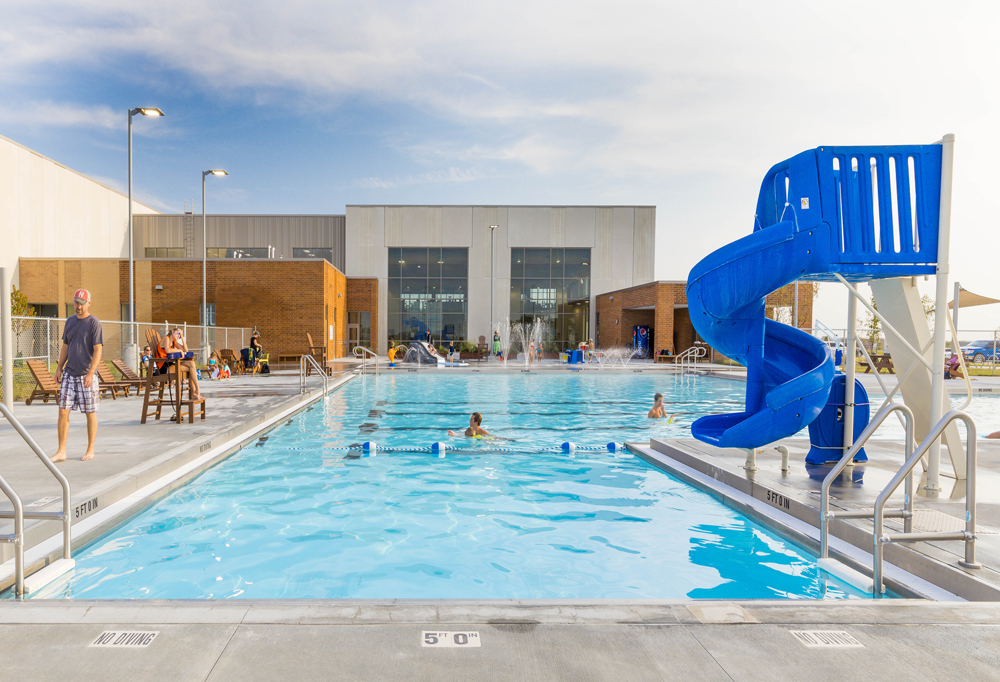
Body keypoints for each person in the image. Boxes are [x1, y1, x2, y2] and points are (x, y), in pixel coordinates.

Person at [51, 289, 103, 462]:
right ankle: (61, 451)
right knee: (62, 411)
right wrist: (59, 367)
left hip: (86, 375)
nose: (78, 306)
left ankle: (90, 449)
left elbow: (98, 350)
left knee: (90, 412)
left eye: (81, 303)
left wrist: (90, 372)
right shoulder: (70, 322)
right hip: (69, 374)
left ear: (88, 303)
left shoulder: (94, 323)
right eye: (76, 302)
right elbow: (65, 346)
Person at [161, 327, 203, 401]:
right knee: (191, 368)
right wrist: (179, 350)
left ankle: (196, 391)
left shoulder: (174, 342)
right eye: (177, 333)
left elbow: (186, 350)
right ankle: (196, 392)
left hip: (171, 365)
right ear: (172, 331)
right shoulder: (166, 338)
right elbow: (167, 350)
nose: (178, 336)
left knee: (191, 363)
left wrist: (182, 337)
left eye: (179, 335)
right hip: (164, 367)